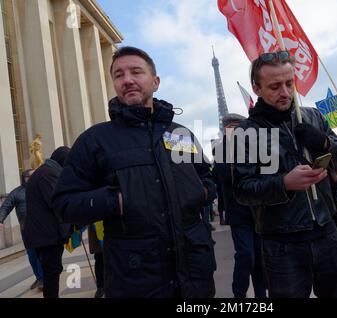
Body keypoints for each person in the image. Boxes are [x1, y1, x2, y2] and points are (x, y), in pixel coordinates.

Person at [52, 46, 216, 298]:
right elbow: (64, 203)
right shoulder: (95, 140)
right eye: (119, 75)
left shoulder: (180, 134)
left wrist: (202, 191)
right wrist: (115, 200)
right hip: (136, 279)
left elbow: (206, 178)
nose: (127, 80)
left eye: (136, 72)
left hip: (195, 274)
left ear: (156, 81)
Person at [232, 51, 337, 298]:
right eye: (274, 86)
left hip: (328, 232)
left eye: (289, 83)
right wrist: (284, 183)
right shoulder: (245, 133)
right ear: (257, 88)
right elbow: (242, 190)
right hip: (282, 244)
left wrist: (326, 144)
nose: (285, 93)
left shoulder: (313, 116)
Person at [214, 113, 267, 299]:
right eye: (234, 127)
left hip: (257, 211)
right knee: (246, 256)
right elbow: (227, 177)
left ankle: (262, 296)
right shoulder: (221, 151)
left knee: (260, 258)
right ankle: (239, 294)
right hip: (238, 212)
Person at [23, 147, 72, 298]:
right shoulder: (49, 174)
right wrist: (67, 231)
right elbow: (58, 203)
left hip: (43, 235)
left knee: (51, 272)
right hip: (47, 237)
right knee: (51, 274)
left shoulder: (45, 171)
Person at [0, 169, 44, 291]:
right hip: (27, 229)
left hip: (41, 227)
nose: (33, 178)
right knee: (32, 255)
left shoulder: (40, 189)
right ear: (24, 178)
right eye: (30, 176)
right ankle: (40, 277)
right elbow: (5, 206)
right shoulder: (17, 193)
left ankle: (43, 277)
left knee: (42, 253)